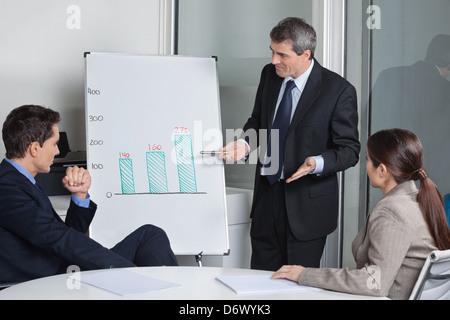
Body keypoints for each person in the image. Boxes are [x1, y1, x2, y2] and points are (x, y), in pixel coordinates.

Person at [220, 17, 360, 271]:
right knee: (259, 283)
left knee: (296, 288)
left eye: (282, 55)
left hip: (307, 206)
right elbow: (258, 120)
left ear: (305, 54)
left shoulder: (338, 90)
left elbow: (349, 151)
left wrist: (316, 163)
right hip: (266, 199)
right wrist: (246, 143)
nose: (274, 60)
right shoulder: (270, 75)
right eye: (272, 51)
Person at [0, 104, 178, 285]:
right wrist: (132, 273)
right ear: (35, 149)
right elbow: (60, 239)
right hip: (50, 281)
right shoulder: (6, 188)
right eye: (54, 144)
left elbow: (64, 235)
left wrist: (80, 195)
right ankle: (158, 288)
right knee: (143, 272)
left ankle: (161, 289)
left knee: (151, 234)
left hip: (65, 268)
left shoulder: (21, 181)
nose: (58, 151)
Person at [272, 128, 450, 300]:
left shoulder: (393, 210)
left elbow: (374, 282)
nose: (366, 168)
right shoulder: (419, 200)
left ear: (382, 170)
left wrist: (305, 274)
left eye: (368, 160)